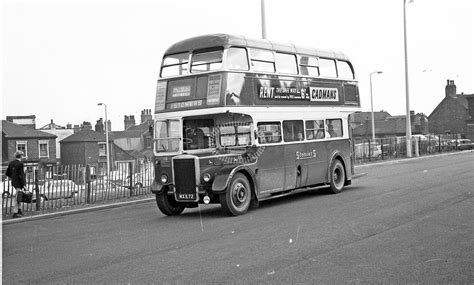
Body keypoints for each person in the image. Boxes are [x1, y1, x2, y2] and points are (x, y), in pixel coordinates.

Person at [5, 151, 26, 218]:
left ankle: (19, 210)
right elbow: (21, 175)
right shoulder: (20, 164)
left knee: (19, 196)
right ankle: (15, 212)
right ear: (20, 156)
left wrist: (13, 177)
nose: (23, 156)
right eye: (22, 155)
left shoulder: (11, 163)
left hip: (14, 183)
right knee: (17, 198)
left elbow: (7, 173)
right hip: (19, 183)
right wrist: (24, 184)